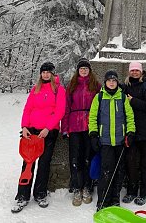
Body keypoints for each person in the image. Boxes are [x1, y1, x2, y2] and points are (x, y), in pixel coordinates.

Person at [11, 62, 66, 213]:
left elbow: (60, 111)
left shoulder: (59, 90)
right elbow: (28, 108)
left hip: (48, 132)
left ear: (53, 74)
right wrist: (24, 127)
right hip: (32, 131)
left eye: (49, 72)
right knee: (28, 164)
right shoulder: (36, 89)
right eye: (44, 72)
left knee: (44, 163)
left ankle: (40, 194)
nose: (46, 74)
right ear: (41, 74)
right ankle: (22, 196)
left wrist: (48, 128)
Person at [88, 70, 135, 211]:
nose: (112, 82)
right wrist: (94, 134)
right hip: (105, 141)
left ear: (117, 82)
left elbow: (129, 116)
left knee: (119, 171)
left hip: (120, 141)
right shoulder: (99, 97)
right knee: (106, 171)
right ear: (105, 82)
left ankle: (115, 199)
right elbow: (92, 117)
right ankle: (103, 199)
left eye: (114, 80)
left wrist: (130, 132)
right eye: (109, 80)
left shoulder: (122, 97)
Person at [61, 58, 101, 206]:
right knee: (75, 158)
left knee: (88, 157)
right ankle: (77, 187)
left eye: (86, 68)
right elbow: (66, 108)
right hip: (74, 125)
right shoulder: (72, 85)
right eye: (81, 68)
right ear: (78, 70)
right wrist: (64, 128)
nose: (83, 71)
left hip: (90, 125)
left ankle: (87, 186)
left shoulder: (95, 85)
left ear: (89, 70)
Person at [121, 62, 146, 206]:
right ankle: (131, 191)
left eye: (137, 70)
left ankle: (145, 192)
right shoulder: (125, 86)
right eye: (132, 70)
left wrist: (133, 101)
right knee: (130, 162)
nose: (134, 72)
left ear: (141, 72)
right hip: (131, 130)